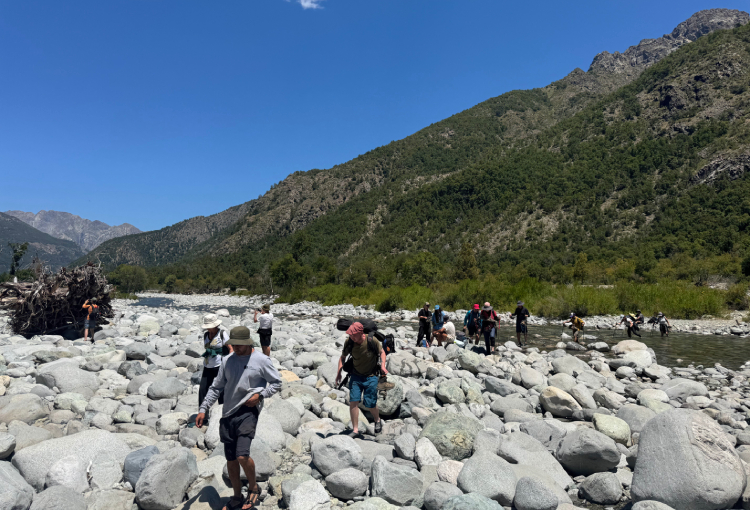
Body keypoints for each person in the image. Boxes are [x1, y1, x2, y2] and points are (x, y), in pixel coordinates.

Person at [196, 326, 282, 510]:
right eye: (233, 344)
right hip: (228, 412)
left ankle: (253, 488)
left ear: (248, 343)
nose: (235, 347)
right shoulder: (227, 361)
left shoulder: (261, 360)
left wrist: (260, 395)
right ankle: (236, 495)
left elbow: (276, 383)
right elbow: (216, 387)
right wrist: (203, 408)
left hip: (248, 411)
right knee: (231, 459)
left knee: (242, 455)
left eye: (238, 344)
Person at [334, 322, 389, 436]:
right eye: (350, 335)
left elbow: (382, 352)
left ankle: (377, 420)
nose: (351, 337)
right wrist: (339, 373)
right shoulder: (349, 342)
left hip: (371, 376)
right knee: (353, 401)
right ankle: (355, 430)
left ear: (360, 333)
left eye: (353, 335)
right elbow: (342, 357)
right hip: (356, 376)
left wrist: (383, 366)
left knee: (370, 403)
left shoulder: (371, 340)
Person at [199, 313, 233, 411]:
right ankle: (203, 415)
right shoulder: (206, 335)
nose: (209, 329)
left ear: (216, 325)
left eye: (211, 327)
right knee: (203, 390)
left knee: (221, 390)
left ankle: (222, 412)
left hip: (219, 365)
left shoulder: (222, 334)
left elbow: (230, 348)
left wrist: (229, 362)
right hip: (207, 365)